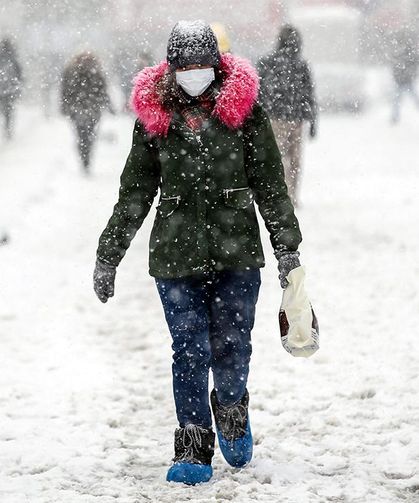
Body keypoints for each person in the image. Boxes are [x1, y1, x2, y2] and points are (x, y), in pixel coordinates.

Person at [93, 20, 303, 485]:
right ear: (172, 68)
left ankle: (231, 407)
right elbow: (134, 192)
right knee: (189, 349)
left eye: (202, 65)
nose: (194, 73)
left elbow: (271, 186)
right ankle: (191, 444)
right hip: (175, 256)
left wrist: (287, 249)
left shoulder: (245, 114)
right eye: (185, 66)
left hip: (238, 254)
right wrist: (109, 254)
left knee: (232, 346)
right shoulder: (155, 119)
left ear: (217, 65)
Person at [258, 24, 317, 207]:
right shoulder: (301, 65)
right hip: (296, 119)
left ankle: (278, 195)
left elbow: (259, 93)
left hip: (274, 118)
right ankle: (291, 196)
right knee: (295, 161)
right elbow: (309, 94)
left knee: (276, 159)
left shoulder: (267, 62)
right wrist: (313, 120)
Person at [60, 52, 113, 173]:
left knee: (81, 134)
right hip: (92, 109)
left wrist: (64, 106)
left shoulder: (71, 71)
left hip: (77, 109)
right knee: (89, 135)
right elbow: (103, 91)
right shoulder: (96, 71)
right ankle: (87, 156)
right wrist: (109, 106)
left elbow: (65, 90)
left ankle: (84, 156)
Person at [390, 30, 419, 124]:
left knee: (398, 101)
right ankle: (395, 118)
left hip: (405, 81)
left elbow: (396, 67)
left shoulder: (405, 56)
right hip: (402, 81)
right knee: (398, 101)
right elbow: (395, 68)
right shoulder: (404, 56)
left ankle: (395, 118)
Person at [0, 38, 23, 140]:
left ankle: (6, 129)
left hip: (2, 88)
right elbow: (19, 73)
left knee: (5, 109)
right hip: (9, 89)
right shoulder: (12, 57)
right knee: (8, 111)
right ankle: (7, 129)